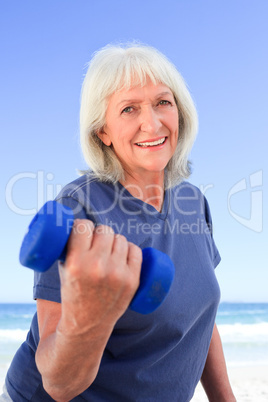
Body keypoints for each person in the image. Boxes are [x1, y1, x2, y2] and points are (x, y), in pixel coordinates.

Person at [2, 43, 236, 401]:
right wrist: (92, 315)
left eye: (163, 102)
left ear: (180, 112)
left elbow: (200, 319)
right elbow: (58, 385)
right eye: (129, 109)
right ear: (104, 133)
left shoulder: (193, 202)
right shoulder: (77, 208)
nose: (152, 122)